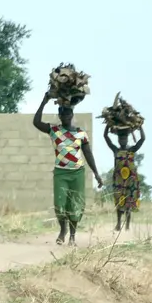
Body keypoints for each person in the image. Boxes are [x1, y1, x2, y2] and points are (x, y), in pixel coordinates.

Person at [32, 92, 104, 245]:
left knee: (76, 205)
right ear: (59, 115)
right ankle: (62, 229)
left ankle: (72, 236)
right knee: (60, 204)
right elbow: (36, 122)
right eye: (62, 113)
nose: (65, 116)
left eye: (68, 113)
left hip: (77, 173)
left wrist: (96, 174)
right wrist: (44, 102)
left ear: (72, 114)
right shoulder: (53, 130)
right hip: (61, 173)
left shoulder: (81, 134)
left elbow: (88, 154)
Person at [103, 126, 146, 232]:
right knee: (119, 201)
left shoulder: (132, 149)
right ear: (118, 139)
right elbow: (105, 136)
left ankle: (127, 225)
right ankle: (118, 224)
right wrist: (108, 125)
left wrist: (140, 127)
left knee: (129, 202)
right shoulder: (115, 150)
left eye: (124, 138)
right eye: (121, 139)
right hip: (119, 180)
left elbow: (142, 139)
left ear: (127, 139)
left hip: (131, 180)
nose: (122, 140)